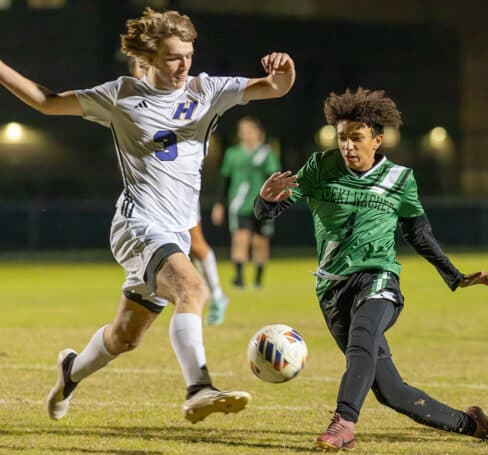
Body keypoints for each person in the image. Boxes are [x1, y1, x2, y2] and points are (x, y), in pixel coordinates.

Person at [0, 7, 295, 423]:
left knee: (124, 337)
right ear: (150, 57)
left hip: (171, 233)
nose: (183, 65)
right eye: (174, 56)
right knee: (192, 290)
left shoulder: (206, 90)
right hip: (138, 225)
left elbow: (276, 88)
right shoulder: (121, 95)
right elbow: (46, 103)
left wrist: (284, 69)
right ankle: (199, 388)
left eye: (189, 55)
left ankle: (70, 372)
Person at [255, 87, 488, 450]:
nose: (348, 146)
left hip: (379, 278)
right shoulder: (320, 167)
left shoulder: (400, 179)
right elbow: (271, 210)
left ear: (377, 140)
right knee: (390, 391)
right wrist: (265, 200)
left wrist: (455, 276)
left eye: (357, 138)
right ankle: (474, 424)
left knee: (363, 337)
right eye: (342, 137)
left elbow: (419, 233)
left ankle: (343, 423)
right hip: (332, 289)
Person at [129, 56, 229, 327]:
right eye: (139, 65)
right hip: (151, 193)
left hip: (177, 189)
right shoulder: (132, 100)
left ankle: (216, 295)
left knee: (195, 243)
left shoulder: (179, 92)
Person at [211, 116, 279, 292]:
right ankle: (239, 279)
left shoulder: (266, 153)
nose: (245, 133)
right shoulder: (232, 154)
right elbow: (225, 180)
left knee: (260, 242)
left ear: (258, 132)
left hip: (262, 205)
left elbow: (274, 178)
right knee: (241, 239)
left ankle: (258, 278)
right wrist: (219, 204)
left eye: (248, 130)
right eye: (242, 130)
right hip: (239, 204)